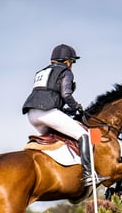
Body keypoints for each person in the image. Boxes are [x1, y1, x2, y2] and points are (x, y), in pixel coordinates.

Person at [22, 44, 107, 186]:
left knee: (60, 137)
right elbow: (66, 94)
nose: (72, 65)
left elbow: (47, 96)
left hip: (32, 114)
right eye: (72, 62)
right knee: (83, 135)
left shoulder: (41, 72)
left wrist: (67, 111)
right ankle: (88, 175)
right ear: (67, 61)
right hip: (47, 112)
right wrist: (77, 107)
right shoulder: (66, 71)